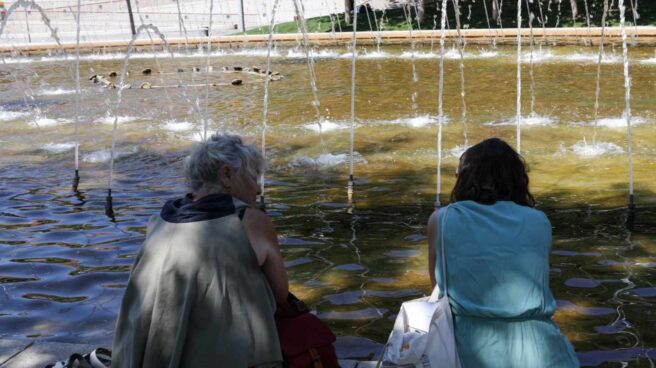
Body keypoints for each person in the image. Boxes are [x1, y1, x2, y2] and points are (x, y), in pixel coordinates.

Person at [113, 134, 287, 368]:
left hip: (148, 355)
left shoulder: (159, 221)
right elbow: (280, 294)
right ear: (227, 175)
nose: (258, 188)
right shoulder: (250, 221)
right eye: (254, 176)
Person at [426, 138, 579, 367]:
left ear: (465, 178)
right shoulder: (540, 221)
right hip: (541, 348)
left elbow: (438, 285)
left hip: (469, 346)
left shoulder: (442, 219)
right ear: (517, 179)